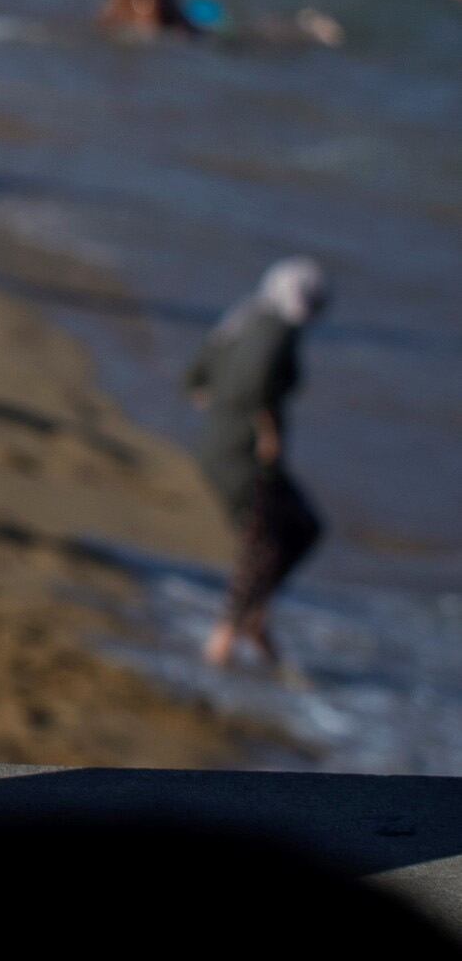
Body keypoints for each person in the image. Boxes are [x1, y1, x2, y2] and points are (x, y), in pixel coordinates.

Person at [188, 258, 326, 672]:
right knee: (269, 539)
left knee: (294, 529)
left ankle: (250, 622)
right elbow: (254, 381)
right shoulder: (277, 329)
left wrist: (225, 410)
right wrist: (266, 426)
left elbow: (195, 380)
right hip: (244, 455)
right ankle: (226, 638)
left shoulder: (244, 317)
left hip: (218, 446)